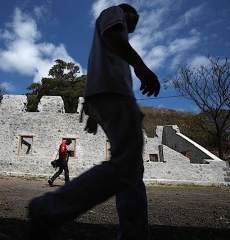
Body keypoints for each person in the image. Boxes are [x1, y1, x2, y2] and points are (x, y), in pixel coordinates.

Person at [28, 3, 160, 240]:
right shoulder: (114, 13)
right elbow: (112, 36)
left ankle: (134, 234)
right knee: (127, 167)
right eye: (133, 22)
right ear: (128, 12)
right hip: (115, 95)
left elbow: (101, 65)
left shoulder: (110, 35)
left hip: (109, 97)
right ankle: (50, 207)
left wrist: (92, 111)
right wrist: (141, 67)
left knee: (132, 172)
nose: (131, 29)